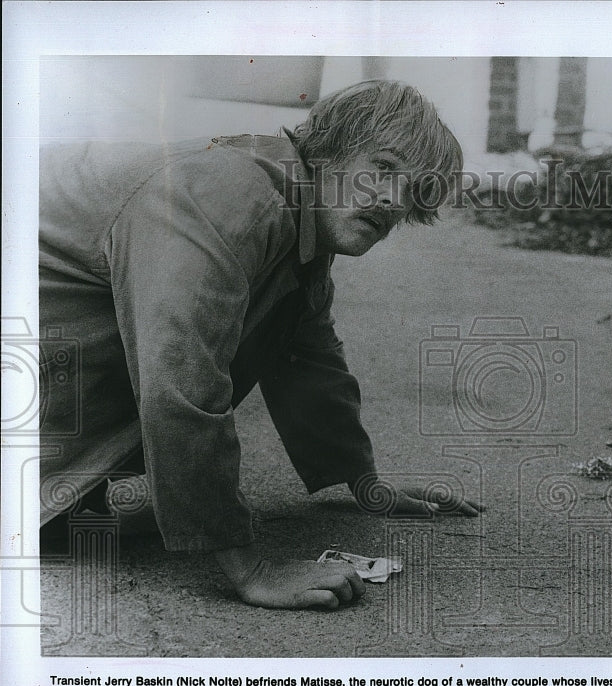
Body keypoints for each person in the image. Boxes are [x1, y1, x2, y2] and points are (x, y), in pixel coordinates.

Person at [38, 79, 481, 610]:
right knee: (176, 348)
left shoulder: (301, 209)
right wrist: (248, 568)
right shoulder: (234, 194)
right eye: (383, 168)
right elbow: (181, 379)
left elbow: (307, 353)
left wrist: (363, 481)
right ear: (329, 150)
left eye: (414, 190)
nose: (393, 199)